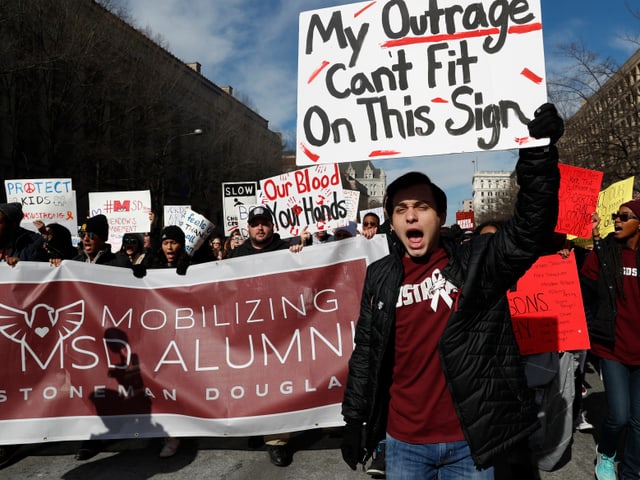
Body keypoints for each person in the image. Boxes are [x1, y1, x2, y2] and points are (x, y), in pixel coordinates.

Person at [340, 103, 563, 479]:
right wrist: (355, 419)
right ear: (392, 222)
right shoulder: (379, 275)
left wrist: (538, 156)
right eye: (401, 209)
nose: (411, 215)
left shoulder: (478, 262)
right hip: (404, 442)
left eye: (422, 207)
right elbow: (366, 350)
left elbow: (529, 230)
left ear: (440, 217)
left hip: (469, 443)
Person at [228, 205, 302, 466]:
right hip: (247, 332)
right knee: (252, 385)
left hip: (278, 332)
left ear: (272, 226)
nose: (260, 227)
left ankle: (277, 440)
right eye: (255, 223)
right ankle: (259, 429)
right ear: (248, 227)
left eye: (265, 223)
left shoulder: (286, 250)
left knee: (275, 384)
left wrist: (299, 252)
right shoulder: (237, 254)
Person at [580, 199, 640, 480]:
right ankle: (606, 452)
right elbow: (584, 289)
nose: (617, 220)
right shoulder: (604, 253)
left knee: (639, 422)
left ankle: (631, 471)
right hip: (613, 347)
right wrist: (567, 255)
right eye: (617, 215)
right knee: (619, 416)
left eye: (625, 216)